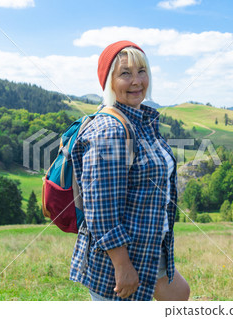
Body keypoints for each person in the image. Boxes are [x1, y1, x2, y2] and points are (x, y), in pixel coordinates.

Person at [70, 40, 190, 301]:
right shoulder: (110, 131)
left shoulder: (141, 121)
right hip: (118, 263)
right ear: (109, 82)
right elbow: (100, 207)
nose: (137, 81)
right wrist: (122, 266)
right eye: (125, 73)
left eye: (142, 71)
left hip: (147, 248)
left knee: (180, 294)